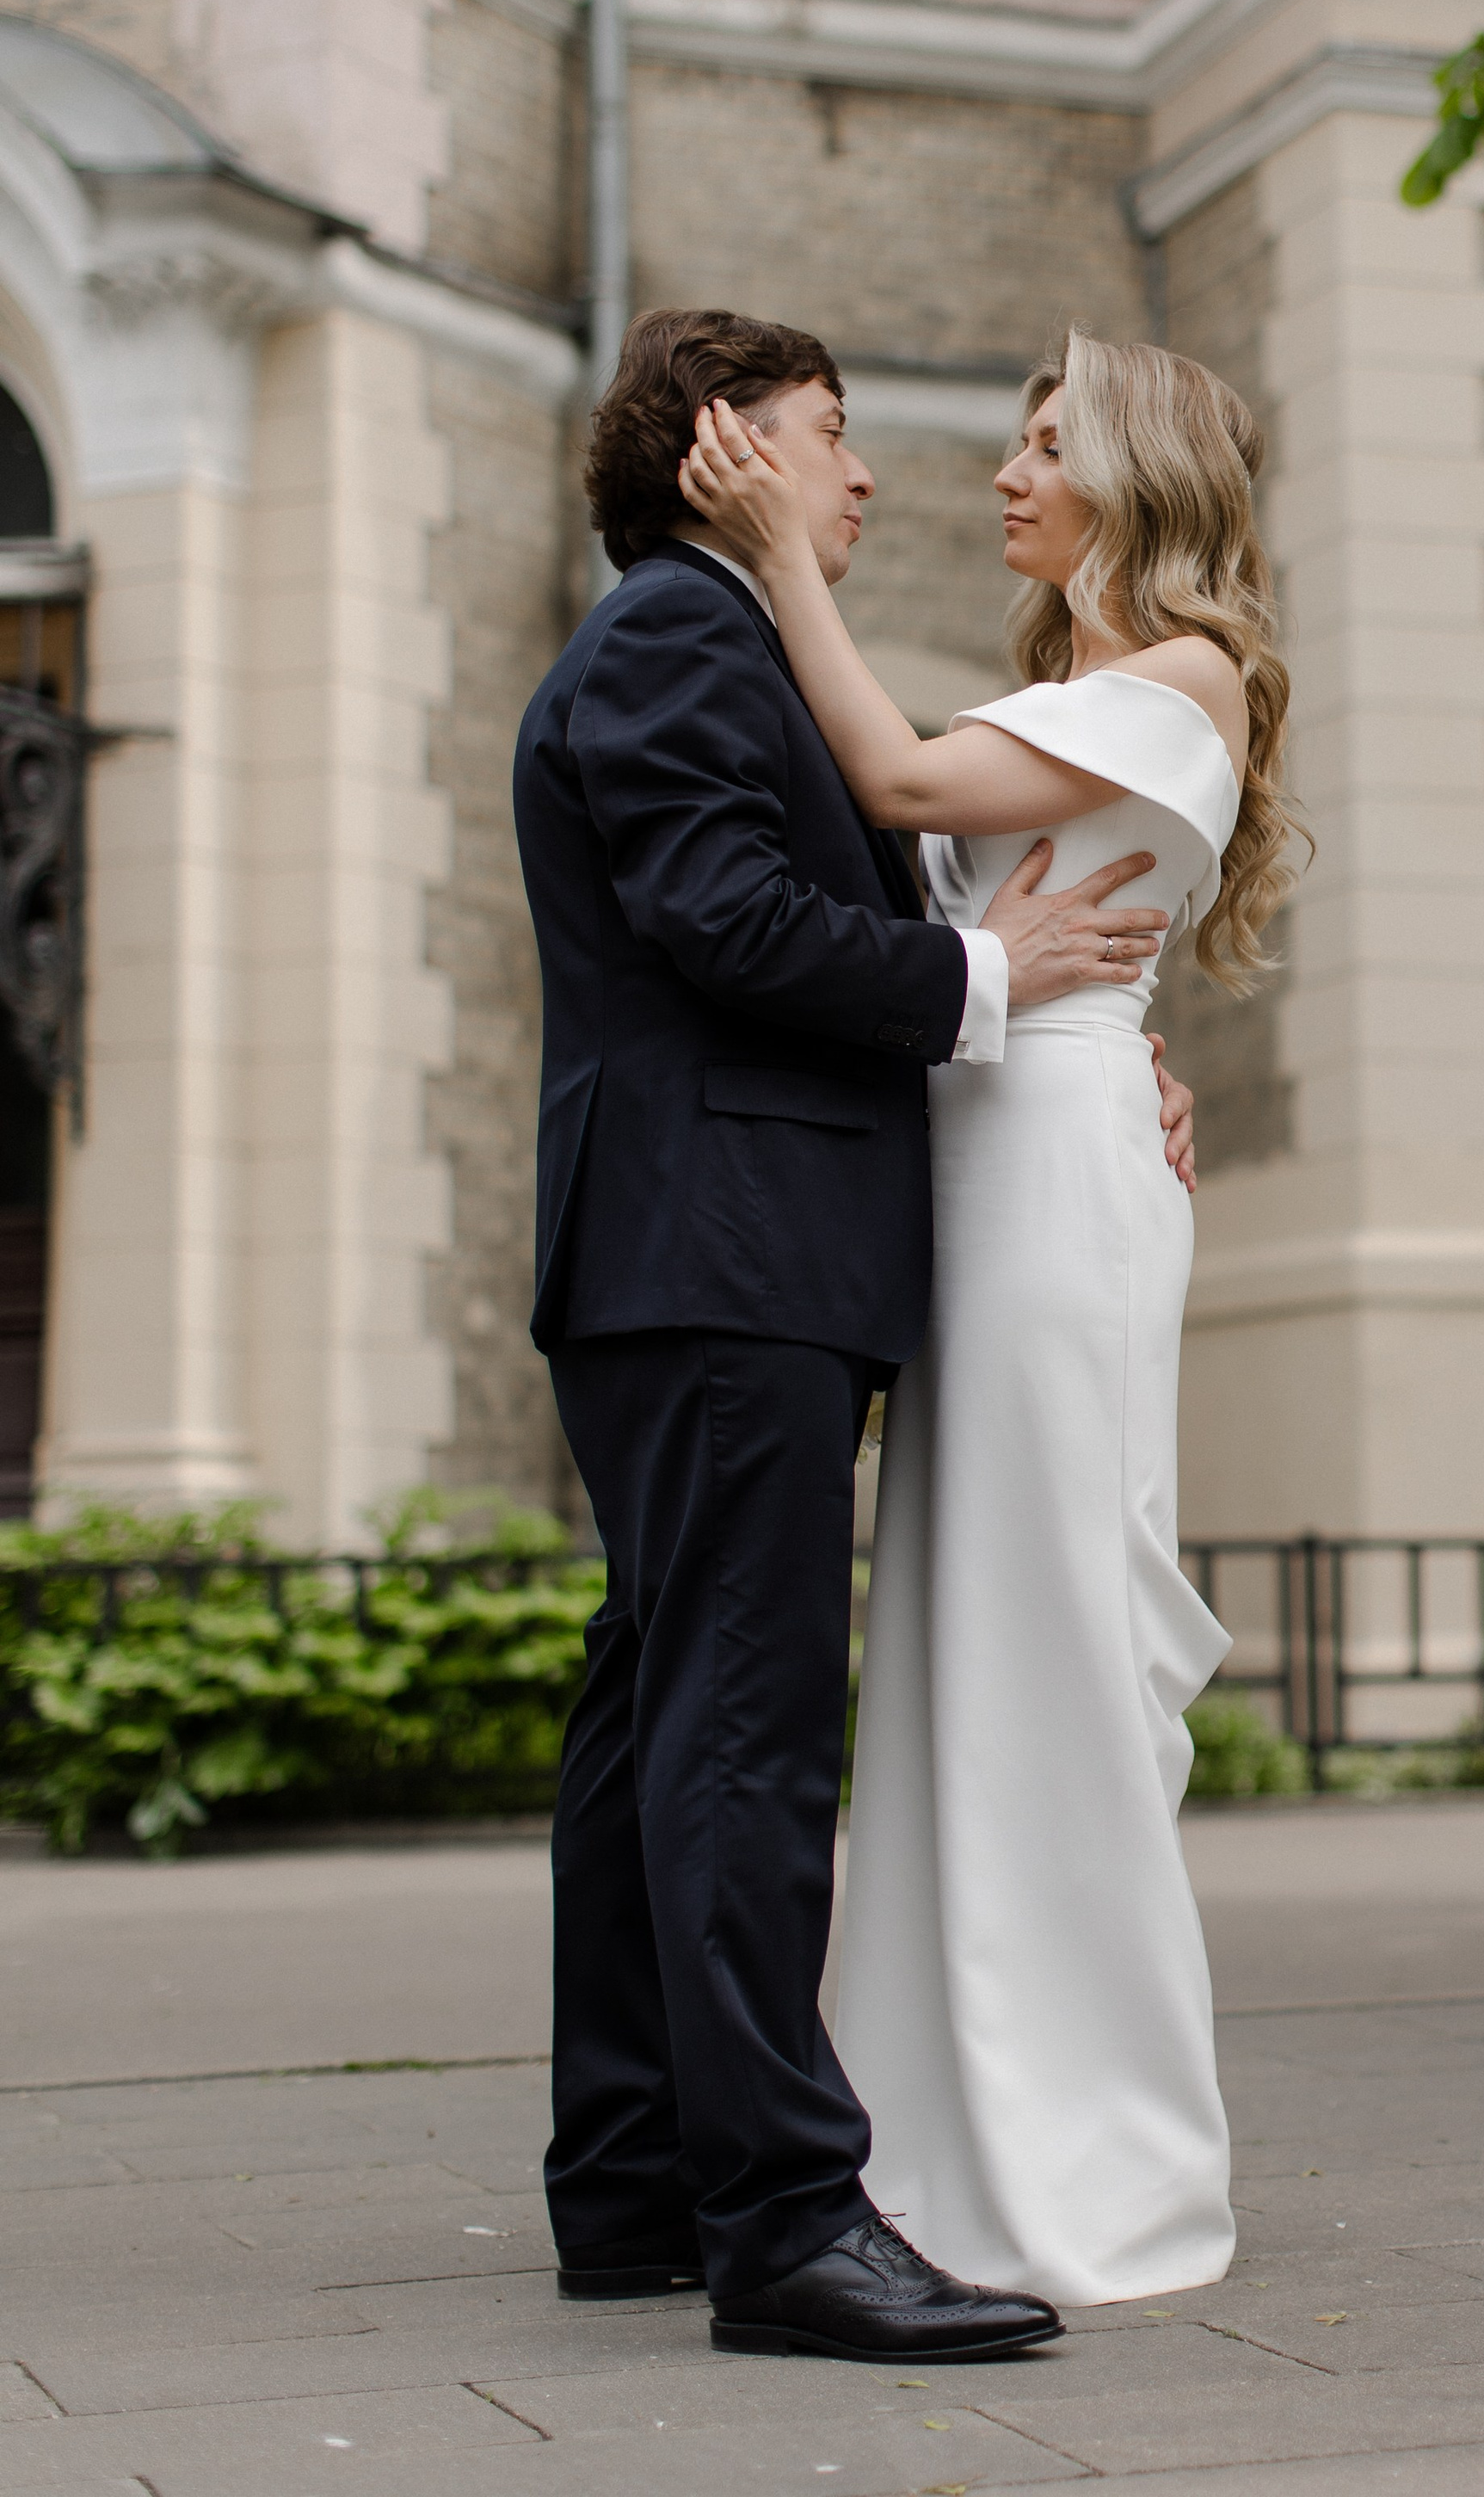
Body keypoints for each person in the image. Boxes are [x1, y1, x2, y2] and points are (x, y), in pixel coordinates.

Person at [511, 307, 1199, 2364]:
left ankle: (633, 2182)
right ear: (727, 445)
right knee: (739, 1730)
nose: (868, 475)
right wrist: (984, 978)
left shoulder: (707, 641)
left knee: (654, 1718)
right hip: (722, 1257)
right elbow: (725, 918)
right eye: (829, 434)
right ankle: (790, 2221)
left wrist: (1081, 1042)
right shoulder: (677, 636)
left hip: (707, 1253)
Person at [676, 324, 1302, 2307]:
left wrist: (779, 546)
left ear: (1132, 476)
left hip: (1050, 1185)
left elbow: (891, 776)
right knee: (953, 1649)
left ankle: (1094, 2157)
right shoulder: (1076, 691)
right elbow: (996, 918)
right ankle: (938, 2141)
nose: (1005, 476)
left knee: (1049, 1635)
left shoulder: (1180, 672)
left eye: (1045, 446)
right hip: (988, 1154)